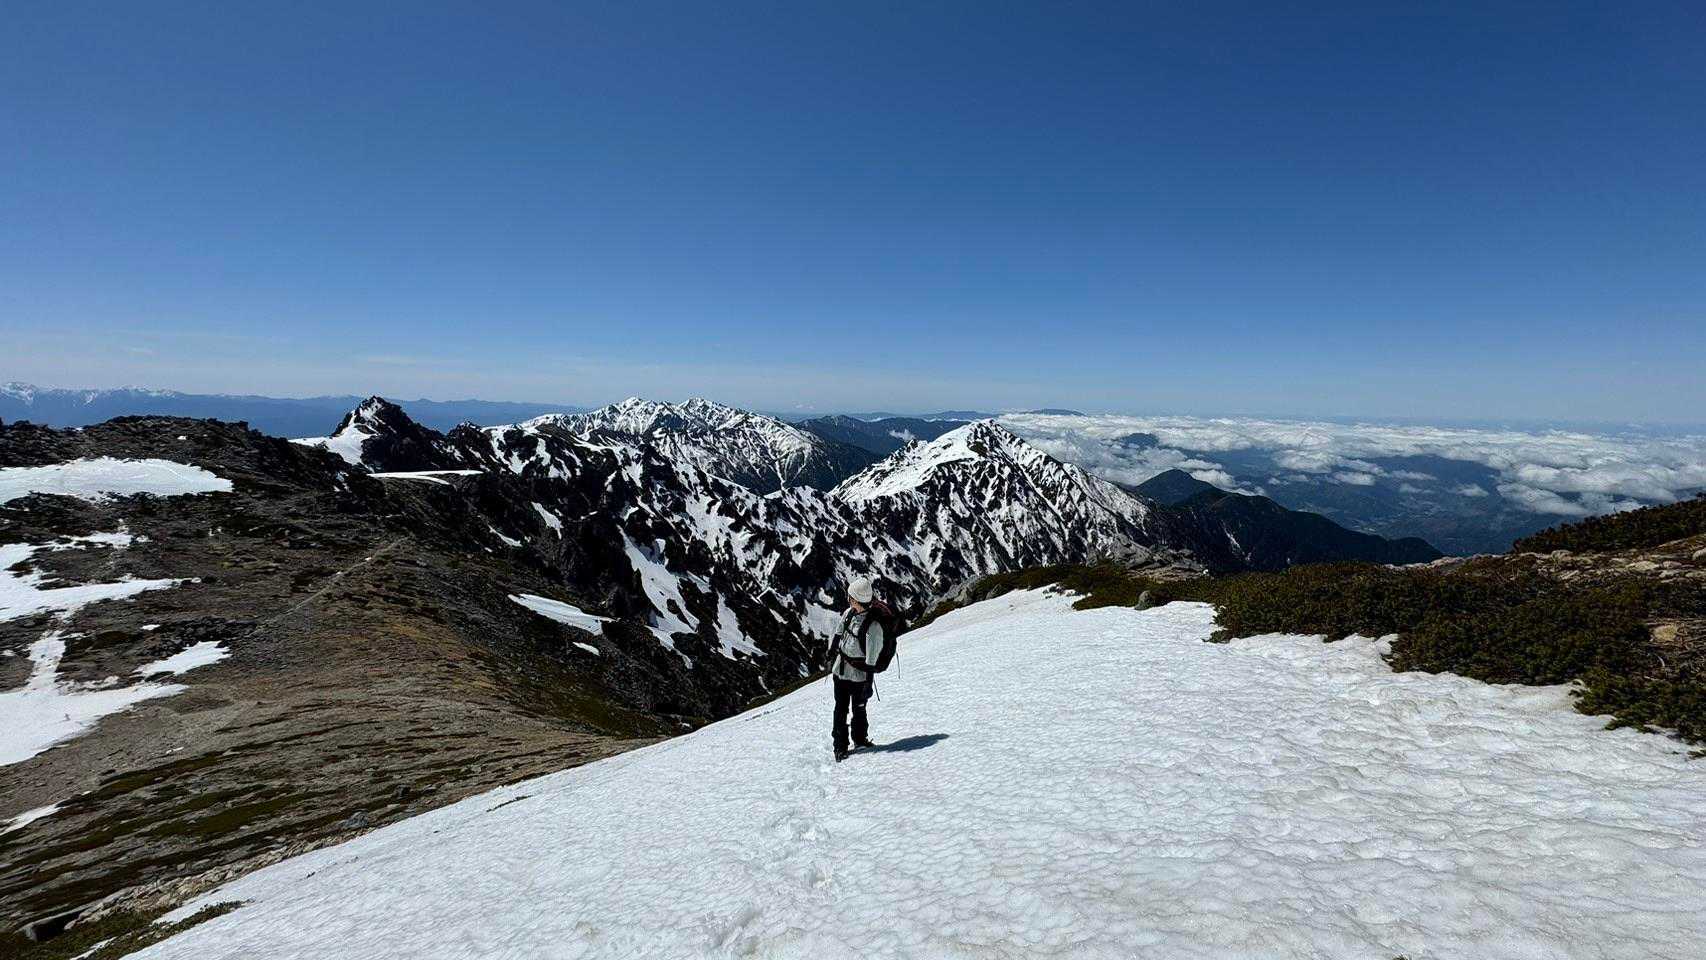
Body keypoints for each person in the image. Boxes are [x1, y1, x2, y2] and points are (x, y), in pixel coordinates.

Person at [829, 576, 886, 762]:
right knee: (841, 709)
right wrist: (831, 652)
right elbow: (839, 632)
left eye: (850, 596)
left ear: (857, 599)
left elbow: (871, 659)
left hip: (859, 677)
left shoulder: (873, 627)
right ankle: (840, 745)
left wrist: (868, 684)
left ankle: (859, 739)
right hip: (841, 671)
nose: (848, 599)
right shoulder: (849, 613)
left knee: (858, 709)